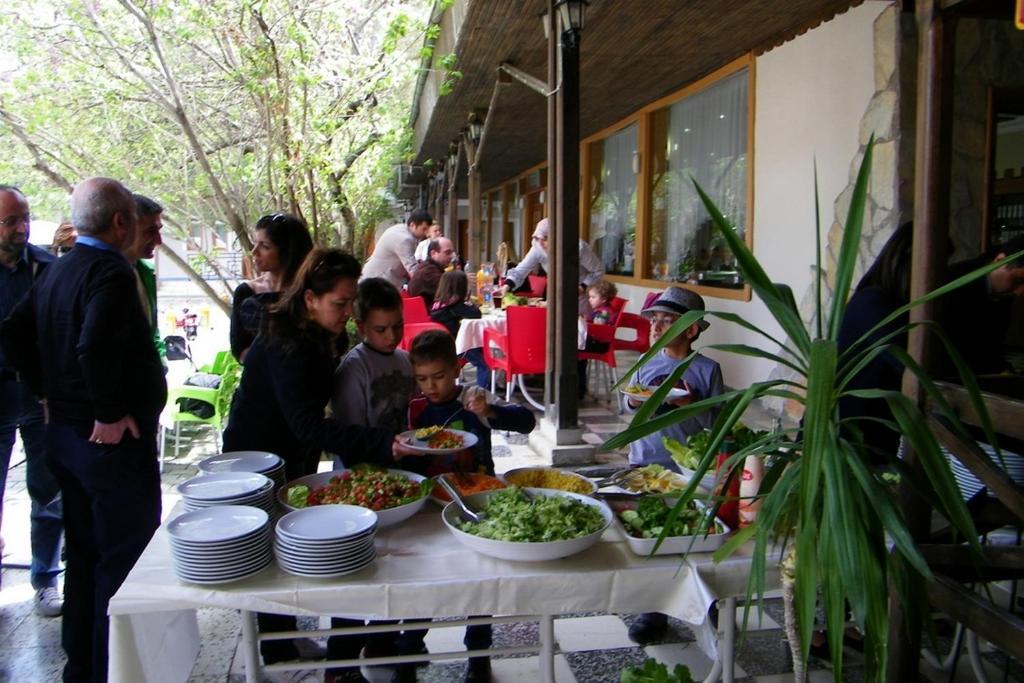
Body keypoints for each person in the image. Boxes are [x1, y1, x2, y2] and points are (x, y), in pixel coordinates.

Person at [0, 177, 167, 682]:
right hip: (107, 450)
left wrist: (47, 391)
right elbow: (93, 347)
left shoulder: (57, 269)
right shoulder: (109, 273)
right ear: (121, 223)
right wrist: (109, 413)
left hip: (67, 441)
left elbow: (12, 332)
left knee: (86, 556)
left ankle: (83, 663)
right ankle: (114, 670)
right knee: (121, 563)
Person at [221, 249, 419, 674]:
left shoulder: (317, 332)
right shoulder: (286, 344)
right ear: (310, 298)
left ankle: (286, 646)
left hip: (290, 452)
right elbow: (309, 426)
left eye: (351, 303)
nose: (348, 314)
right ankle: (279, 654)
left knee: (285, 550)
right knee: (267, 556)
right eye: (341, 304)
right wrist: (387, 443)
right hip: (255, 457)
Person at [393, 329, 536, 682]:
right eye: (422, 378)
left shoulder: (473, 400)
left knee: (479, 582)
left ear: (457, 369)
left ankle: (478, 656)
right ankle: (408, 654)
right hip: (429, 504)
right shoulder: (415, 409)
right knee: (422, 582)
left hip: (478, 499)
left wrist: (488, 410)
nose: (431, 386)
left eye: (439, 376)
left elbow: (526, 421)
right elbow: (407, 461)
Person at [622, 286, 724, 646]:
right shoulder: (644, 363)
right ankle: (655, 609)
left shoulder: (707, 370)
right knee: (653, 538)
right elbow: (630, 406)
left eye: (667, 320)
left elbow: (716, 420)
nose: (656, 325)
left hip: (690, 468)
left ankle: (708, 602)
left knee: (695, 535)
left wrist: (691, 405)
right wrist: (638, 404)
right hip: (645, 461)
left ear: (691, 330)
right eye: (655, 319)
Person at [329, 277, 417, 677]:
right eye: (381, 329)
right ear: (361, 325)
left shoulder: (402, 360)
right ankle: (342, 660)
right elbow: (348, 437)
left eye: (397, 326)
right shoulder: (354, 367)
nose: (392, 336)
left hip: (400, 484)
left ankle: (383, 650)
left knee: (394, 574)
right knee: (352, 579)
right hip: (359, 485)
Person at [0, 184, 63, 616]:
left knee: (47, 491)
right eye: (10, 221)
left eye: (24, 217)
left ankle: (45, 579)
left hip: (38, 395)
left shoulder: (45, 266)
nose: (21, 227)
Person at [837, 222, 913, 463]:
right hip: (846, 441)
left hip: (870, 439)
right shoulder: (872, 303)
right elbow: (910, 366)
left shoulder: (882, 303)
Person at [230, 212, 313, 362]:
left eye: (265, 246)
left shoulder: (310, 292)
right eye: (255, 243)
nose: (254, 252)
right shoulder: (246, 292)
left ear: (288, 252)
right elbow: (239, 350)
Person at [938, 235, 1024, 376]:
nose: (1020, 292)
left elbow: (991, 347)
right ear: (1000, 261)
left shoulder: (1002, 292)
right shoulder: (956, 283)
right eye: (1019, 280)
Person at [500, 217, 605, 315]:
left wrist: (582, 287)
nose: (540, 243)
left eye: (545, 238)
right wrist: (507, 285)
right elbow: (521, 270)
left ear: (557, 236)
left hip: (579, 296)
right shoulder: (537, 248)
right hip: (557, 293)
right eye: (537, 238)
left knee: (577, 328)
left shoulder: (578, 248)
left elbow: (598, 270)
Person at [430, 270, 490, 388]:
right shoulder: (455, 305)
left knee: (483, 349)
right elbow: (476, 313)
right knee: (484, 364)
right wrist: (468, 301)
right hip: (458, 345)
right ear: (461, 288)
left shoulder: (439, 304)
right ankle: (482, 393)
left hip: (443, 344)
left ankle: (490, 382)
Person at [125, 194, 166, 365]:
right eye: (150, 231)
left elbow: (150, 326)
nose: (159, 240)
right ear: (124, 228)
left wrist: (160, 358)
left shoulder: (146, 272)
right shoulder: (102, 276)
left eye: (159, 230)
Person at [361, 209, 433, 289]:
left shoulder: (401, 229)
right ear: (413, 225)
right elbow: (412, 269)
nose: (426, 233)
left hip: (378, 280)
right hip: (377, 283)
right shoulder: (404, 239)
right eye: (424, 229)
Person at [579, 279, 620, 398]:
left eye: (593, 297)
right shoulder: (602, 310)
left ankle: (579, 388)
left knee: (574, 349)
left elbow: (598, 328)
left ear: (603, 299)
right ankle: (580, 387)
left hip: (600, 343)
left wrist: (585, 322)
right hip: (598, 341)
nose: (589, 299)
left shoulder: (604, 313)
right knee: (577, 347)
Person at [408, 236, 455, 308]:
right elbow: (449, 290)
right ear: (433, 253)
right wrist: (461, 279)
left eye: (452, 252)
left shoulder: (430, 267)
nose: (452, 256)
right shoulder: (428, 271)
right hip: (428, 315)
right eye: (447, 252)